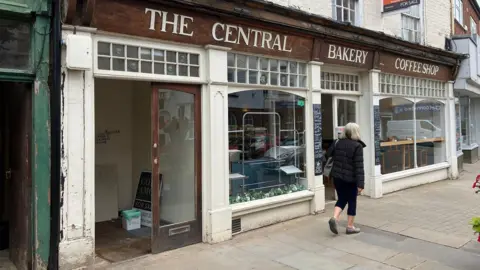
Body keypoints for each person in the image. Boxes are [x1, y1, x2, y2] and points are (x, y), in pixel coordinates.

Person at [326, 122, 366, 235]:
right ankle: (350, 227)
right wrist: (360, 184)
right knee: (352, 201)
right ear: (356, 132)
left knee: (342, 198)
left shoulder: (337, 142)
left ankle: (334, 217)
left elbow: (327, 155)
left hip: (337, 177)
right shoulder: (357, 146)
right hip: (350, 179)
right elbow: (359, 166)